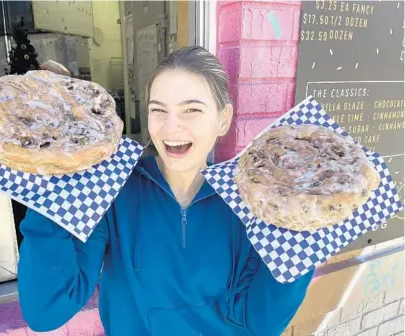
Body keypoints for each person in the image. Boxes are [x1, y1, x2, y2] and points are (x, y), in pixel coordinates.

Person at [18, 46, 313, 336]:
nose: (172, 126)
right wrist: (49, 187)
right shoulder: (113, 191)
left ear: (222, 119)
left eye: (192, 110)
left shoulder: (250, 201)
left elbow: (261, 322)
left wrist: (304, 233)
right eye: (158, 110)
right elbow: (46, 311)